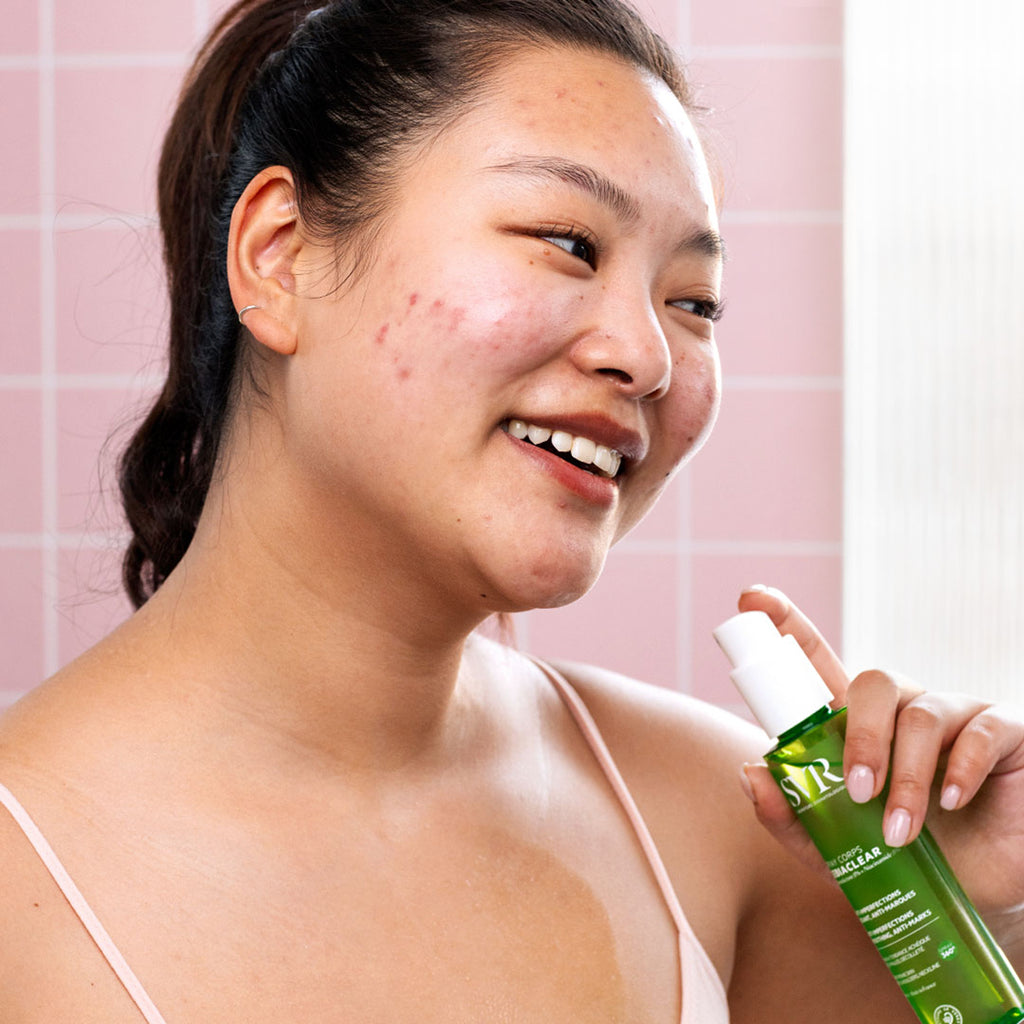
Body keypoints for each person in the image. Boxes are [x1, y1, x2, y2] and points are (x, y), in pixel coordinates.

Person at [0, 0, 1021, 1020]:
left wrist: (989, 921)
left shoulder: (726, 828)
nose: (648, 357)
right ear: (281, 256)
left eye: (694, 302)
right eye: (568, 242)